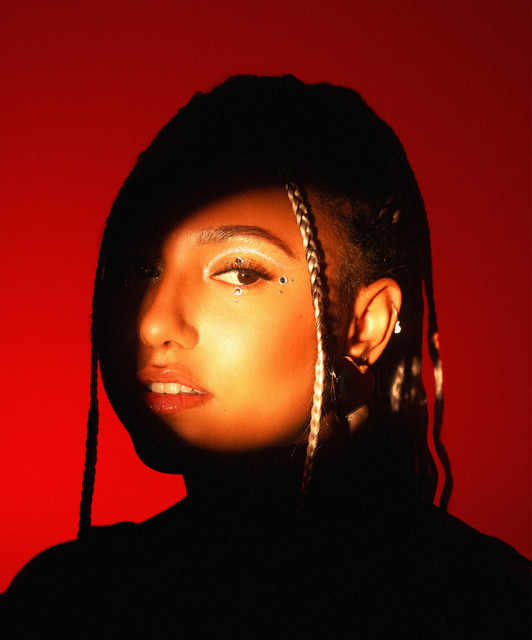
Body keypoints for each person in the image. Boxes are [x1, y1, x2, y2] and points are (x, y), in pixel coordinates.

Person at [2, 75, 530, 638]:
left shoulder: (487, 610)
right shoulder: (68, 602)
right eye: (138, 268)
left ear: (366, 325)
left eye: (241, 273)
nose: (151, 322)